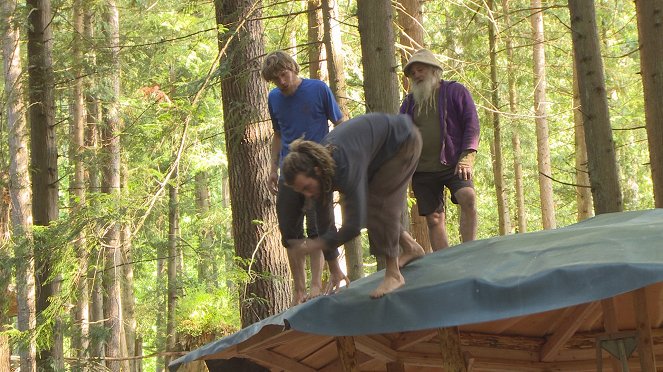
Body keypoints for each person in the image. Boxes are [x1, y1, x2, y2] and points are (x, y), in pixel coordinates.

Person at [282, 113, 426, 299]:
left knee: (378, 207)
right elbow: (325, 224)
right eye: (302, 191)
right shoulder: (320, 175)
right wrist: (335, 269)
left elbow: (354, 225)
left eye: (307, 187)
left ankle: (394, 274)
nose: (308, 195)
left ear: (316, 172)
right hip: (378, 154)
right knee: (370, 206)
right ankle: (411, 248)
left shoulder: (343, 164)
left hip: (404, 142)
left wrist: (316, 244)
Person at [261, 50, 344, 306]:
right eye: (276, 79)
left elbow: (340, 123)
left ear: (293, 69)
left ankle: (317, 285)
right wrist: (272, 168)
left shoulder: (318, 89)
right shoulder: (274, 98)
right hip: (288, 170)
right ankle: (299, 291)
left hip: (317, 169)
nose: (282, 82)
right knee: (289, 231)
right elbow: (278, 133)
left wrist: (333, 158)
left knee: (318, 226)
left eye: (284, 75)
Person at [400, 49, 480, 251]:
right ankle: (446, 265)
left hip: (454, 162)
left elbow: (471, 123)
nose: (417, 75)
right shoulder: (409, 104)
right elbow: (400, 134)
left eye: (421, 70)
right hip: (422, 169)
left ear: (434, 70)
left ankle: (470, 252)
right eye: (413, 73)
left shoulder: (455, 91)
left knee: (467, 198)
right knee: (434, 219)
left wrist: (467, 156)